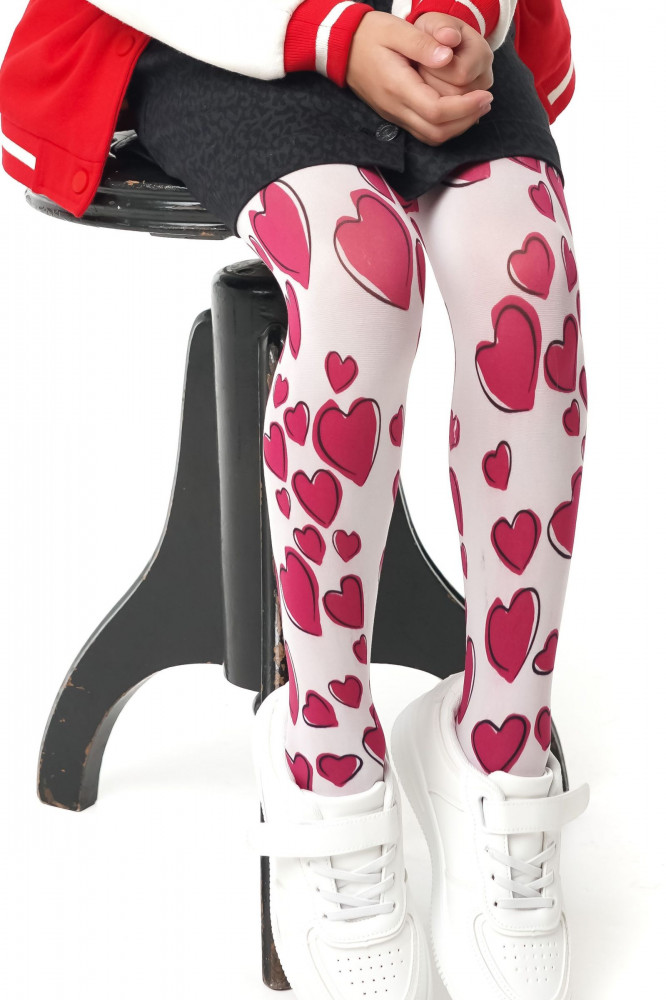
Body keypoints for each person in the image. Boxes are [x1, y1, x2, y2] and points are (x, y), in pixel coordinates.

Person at [0, 2, 591, 998]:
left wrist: (453, 22)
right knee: (362, 282)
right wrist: (333, 39)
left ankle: (500, 740)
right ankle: (327, 756)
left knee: (528, 289)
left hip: (438, 38)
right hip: (221, 38)